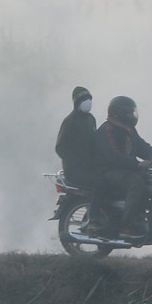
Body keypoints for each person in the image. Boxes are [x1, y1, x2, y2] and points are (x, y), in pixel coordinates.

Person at [93, 95, 152, 240]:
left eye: (132, 112)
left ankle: (147, 215)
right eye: (128, 113)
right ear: (119, 113)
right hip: (107, 172)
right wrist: (137, 164)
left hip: (124, 170)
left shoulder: (128, 130)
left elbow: (145, 148)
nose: (131, 115)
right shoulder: (107, 130)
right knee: (136, 182)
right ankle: (127, 225)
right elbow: (113, 156)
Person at [55, 86, 103, 232]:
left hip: (90, 168)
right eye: (84, 100)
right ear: (77, 102)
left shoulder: (90, 119)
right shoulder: (70, 121)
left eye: (89, 99)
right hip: (75, 171)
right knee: (101, 184)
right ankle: (94, 219)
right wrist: (79, 162)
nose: (88, 102)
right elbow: (60, 147)